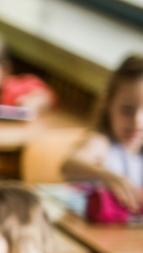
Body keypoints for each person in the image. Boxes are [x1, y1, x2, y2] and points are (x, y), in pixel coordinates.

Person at [61, 54, 143, 212]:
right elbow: (68, 165)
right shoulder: (101, 142)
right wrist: (106, 176)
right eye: (127, 110)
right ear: (108, 105)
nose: (137, 122)